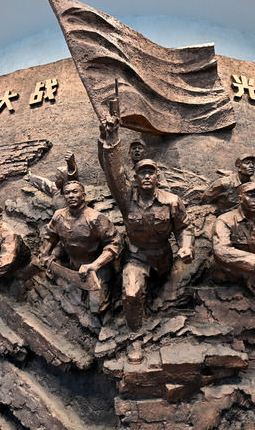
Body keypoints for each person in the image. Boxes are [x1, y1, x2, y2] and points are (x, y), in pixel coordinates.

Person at [98, 113, 194, 341]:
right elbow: (114, 173)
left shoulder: (172, 201)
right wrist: (111, 139)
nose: (147, 176)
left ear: (158, 177)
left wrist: (186, 247)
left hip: (163, 257)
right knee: (131, 293)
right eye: (142, 173)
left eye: (151, 172)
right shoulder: (126, 198)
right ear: (135, 178)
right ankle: (136, 335)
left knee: (170, 291)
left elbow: (184, 228)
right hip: (136, 256)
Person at [41, 180, 122, 315]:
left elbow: (114, 243)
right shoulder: (58, 216)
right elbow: (50, 236)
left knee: (96, 308)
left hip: (96, 268)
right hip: (72, 265)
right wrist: (45, 254)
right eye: (67, 193)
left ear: (83, 196)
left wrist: (94, 265)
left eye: (75, 192)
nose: (71, 196)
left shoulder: (95, 218)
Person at [212, 182, 255, 297]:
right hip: (232, 277)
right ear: (240, 199)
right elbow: (221, 251)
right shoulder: (225, 220)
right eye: (251, 196)